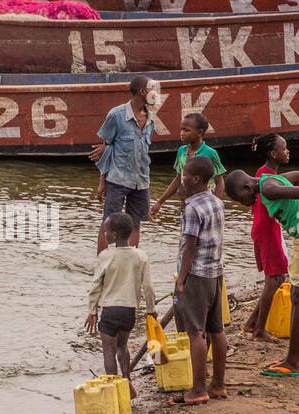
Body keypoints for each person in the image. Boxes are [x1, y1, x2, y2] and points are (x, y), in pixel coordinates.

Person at [223, 167, 299, 378]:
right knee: (297, 294)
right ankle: (292, 357)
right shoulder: (268, 181)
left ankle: (293, 361)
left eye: (241, 199)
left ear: (247, 187)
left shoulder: (268, 188)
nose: (243, 204)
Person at [175, 157, 228, 404]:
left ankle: (198, 389)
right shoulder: (217, 202)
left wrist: (182, 279)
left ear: (196, 179)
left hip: (196, 274)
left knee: (195, 332)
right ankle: (218, 384)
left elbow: (189, 248)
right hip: (216, 273)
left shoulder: (192, 208)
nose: (181, 177)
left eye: (184, 174)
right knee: (217, 330)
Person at [85, 213, 156, 396]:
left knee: (108, 351)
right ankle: (127, 379)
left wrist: (92, 311)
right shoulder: (140, 256)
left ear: (114, 235)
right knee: (122, 348)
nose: (105, 233)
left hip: (109, 310)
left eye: (106, 230)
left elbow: (95, 286)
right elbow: (148, 286)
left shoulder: (105, 256)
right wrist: (151, 310)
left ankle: (114, 388)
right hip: (128, 311)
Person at [89, 75, 156, 252]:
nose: (154, 93)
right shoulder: (116, 115)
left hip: (141, 181)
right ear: (142, 92)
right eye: (151, 89)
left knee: (135, 224)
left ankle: (128, 263)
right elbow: (107, 147)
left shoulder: (150, 119)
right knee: (109, 223)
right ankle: (102, 264)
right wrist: (102, 181)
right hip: (117, 180)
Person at [243, 133, 290, 343]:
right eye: (284, 148)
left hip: (265, 228)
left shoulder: (263, 173)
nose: (287, 151)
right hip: (267, 229)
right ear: (273, 153)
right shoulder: (267, 178)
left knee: (276, 278)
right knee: (274, 279)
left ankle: (252, 322)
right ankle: (259, 329)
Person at [148, 112, 224, 218]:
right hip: (186, 204)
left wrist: (215, 206)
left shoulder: (210, 153)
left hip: (205, 204)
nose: (182, 133)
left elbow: (219, 181)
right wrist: (160, 202)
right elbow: (178, 179)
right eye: (181, 129)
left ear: (199, 132)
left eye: (186, 130)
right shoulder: (182, 151)